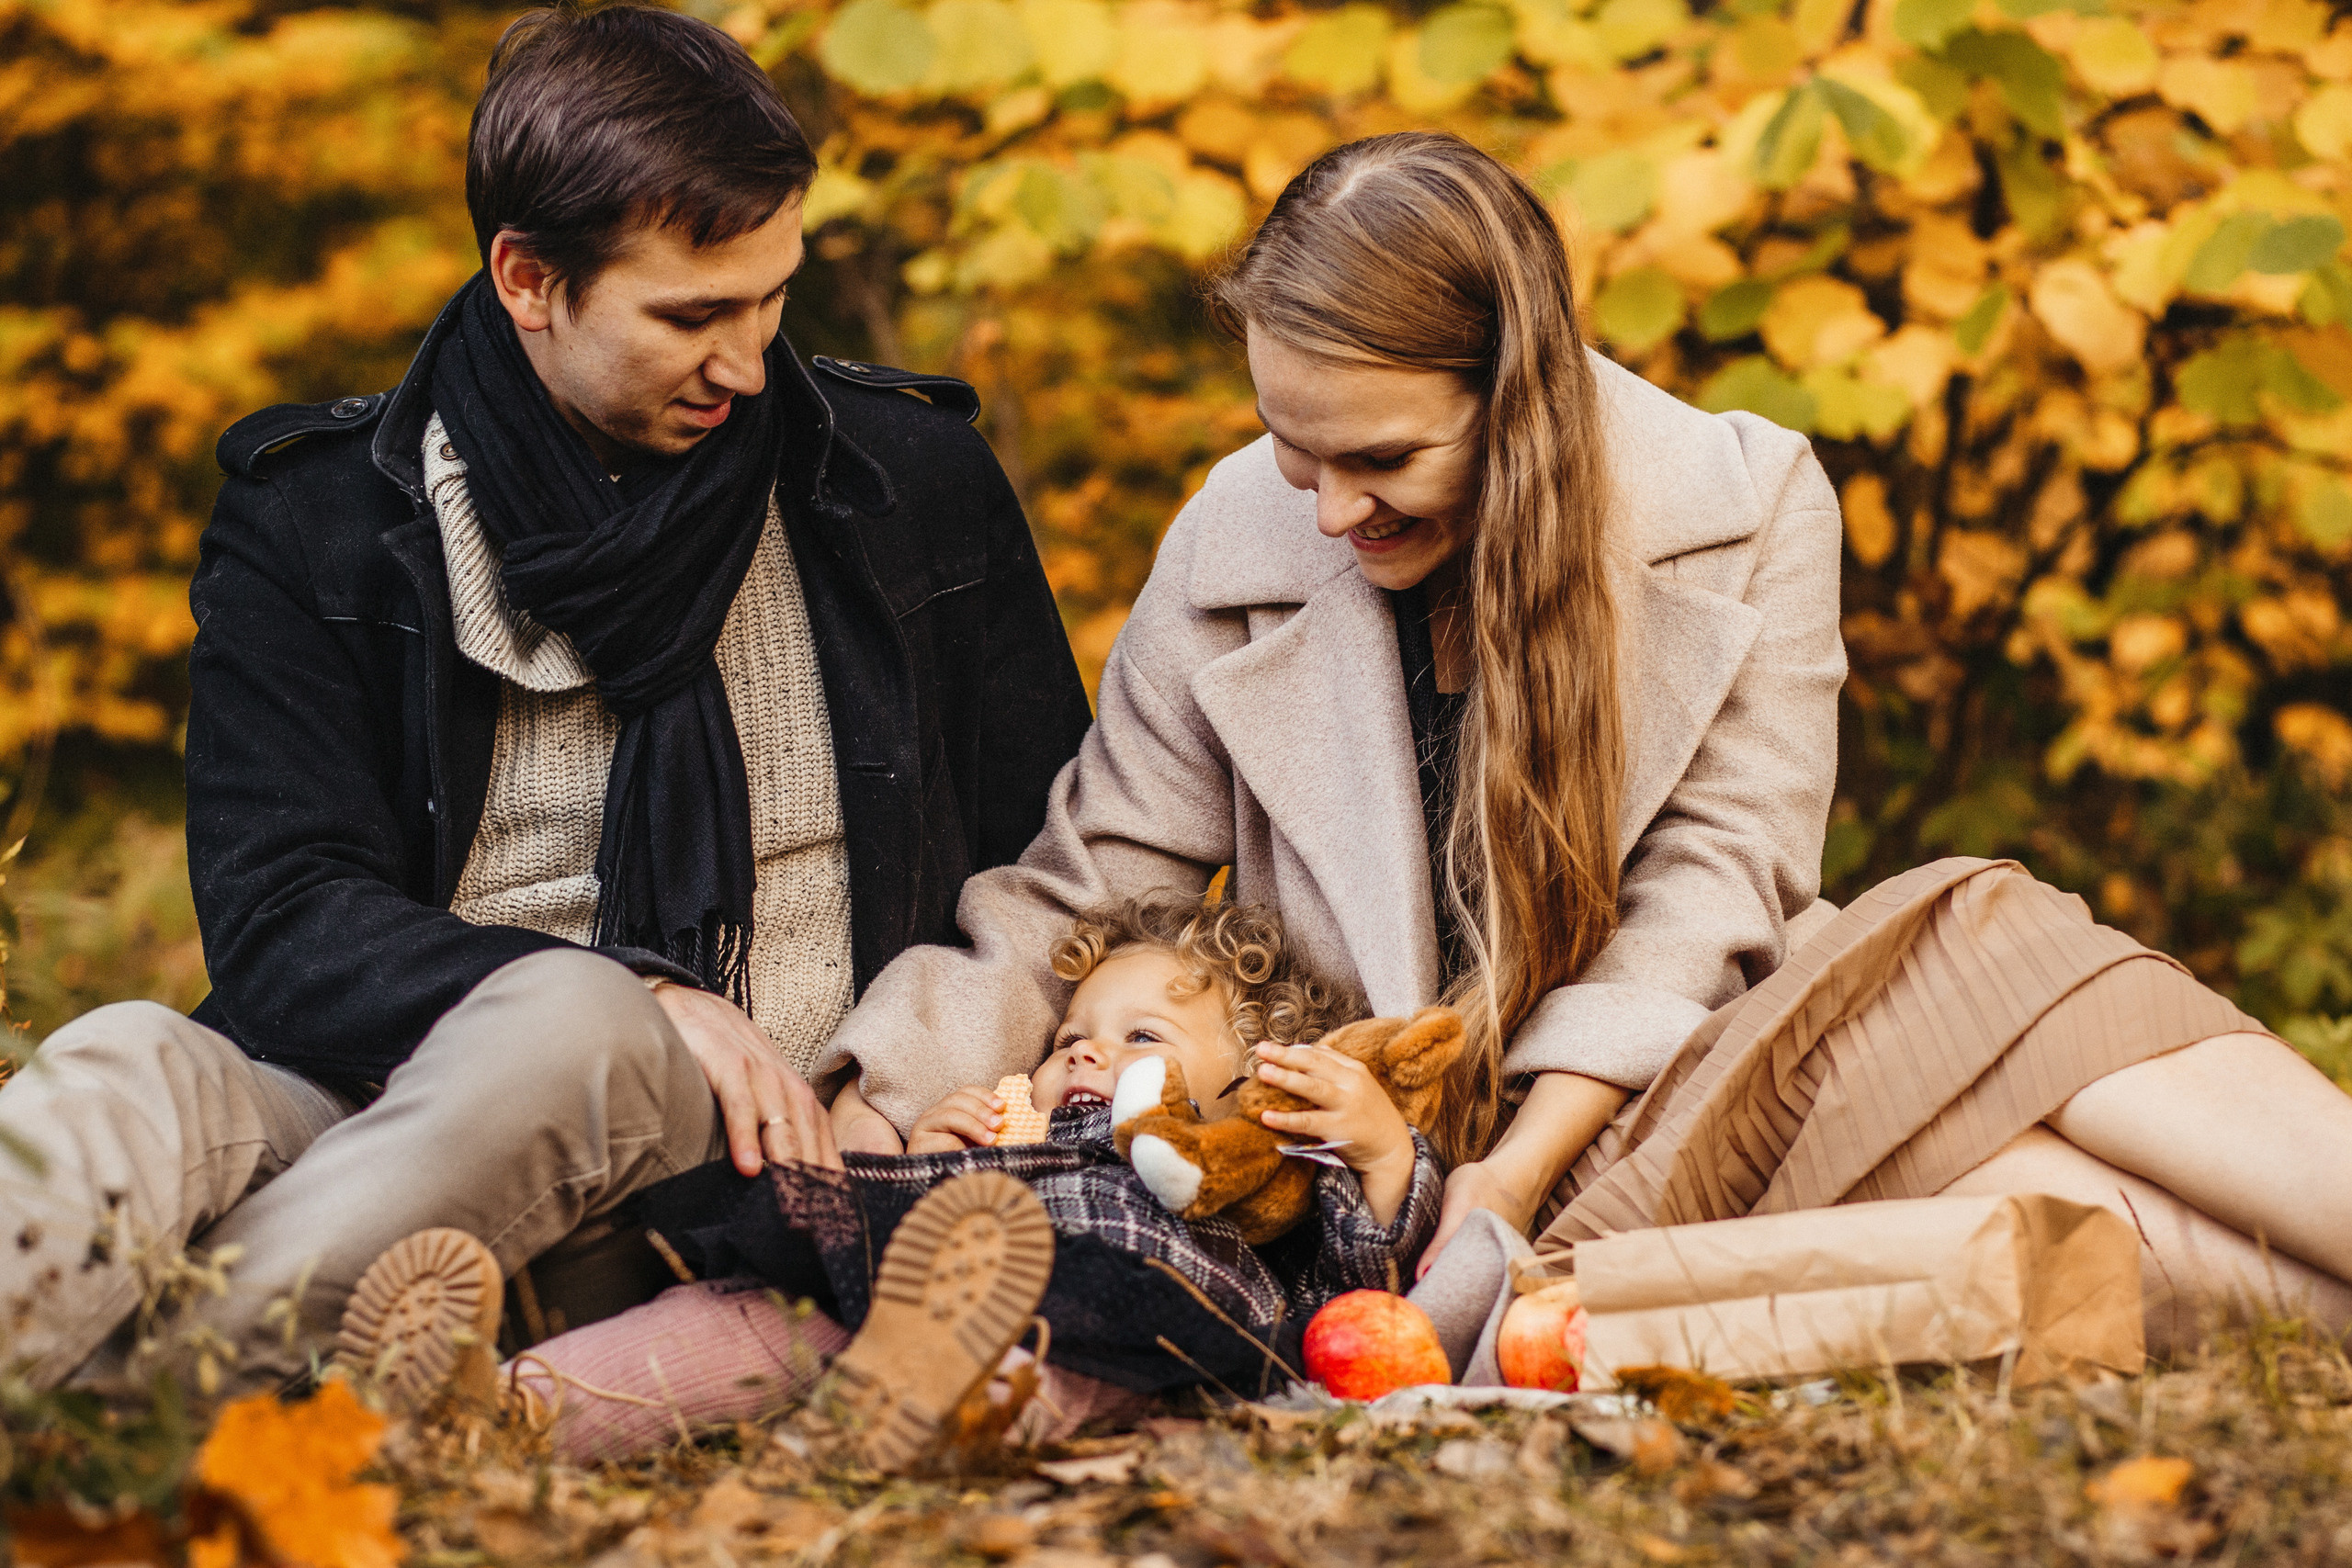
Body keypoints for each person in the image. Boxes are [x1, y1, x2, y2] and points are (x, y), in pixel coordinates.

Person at [816, 130, 2352, 1361]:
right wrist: (880, 1095)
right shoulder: (1238, 535)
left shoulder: (1745, 501)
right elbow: (1088, 883)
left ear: (1519, 400)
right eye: (1297, 448)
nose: (1333, 509)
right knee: (2132, 1233)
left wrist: (1525, 1160)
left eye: (1384, 459)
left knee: (1990, 940)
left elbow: (1721, 885)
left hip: (1662, 1064)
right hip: (1443, 1150)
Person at [0, 4, 1090, 1393]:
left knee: (573, 1025)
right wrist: (627, 983)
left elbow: (1051, 870)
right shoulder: (321, 521)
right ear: (528, 279)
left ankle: (126, 1424)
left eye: (773, 299)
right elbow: (284, 925)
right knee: (128, 1058)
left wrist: (865, 1071)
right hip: (381, 1106)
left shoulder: (906, 486)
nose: (749, 363)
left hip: (739, 1166)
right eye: (692, 314)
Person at [338, 897, 1442, 1467]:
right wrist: (932, 1157)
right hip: (927, 1278)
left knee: (1043, 1369)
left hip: (1125, 1312)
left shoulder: (1261, 1154)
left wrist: (1384, 1153)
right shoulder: (1025, 1123)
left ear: (1249, 1071)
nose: (1085, 1052)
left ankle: (919, 1418)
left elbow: (1355, 1274)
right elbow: (906, 1203)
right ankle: (503, 1409)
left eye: (1138, 1032)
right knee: (749, 1313)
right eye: (1069, 1033)